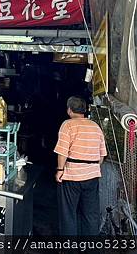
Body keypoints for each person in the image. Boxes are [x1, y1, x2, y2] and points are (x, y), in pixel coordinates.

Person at [54, 96, 107, 236]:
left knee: (68, 215)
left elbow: (62, 151)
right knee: (90, 215)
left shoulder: (68, 125)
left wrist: (60, 170)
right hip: (92, 177)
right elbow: (102, 156)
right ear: (84, 110)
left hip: (72, 176)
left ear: (69, 110)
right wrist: (90, 167)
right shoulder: (96, 127)